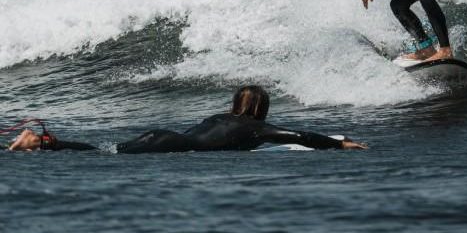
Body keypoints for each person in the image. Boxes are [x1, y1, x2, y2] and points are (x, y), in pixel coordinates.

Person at [5, 85, 367, 153]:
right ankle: (40, 141)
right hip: (171, 144)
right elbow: (300, 135)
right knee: (103, 154)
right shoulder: (257, 128)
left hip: (166, 136)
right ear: (261, 109)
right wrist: (339, 142)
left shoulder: (219, 116)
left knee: (105, 151)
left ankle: (44, 142)